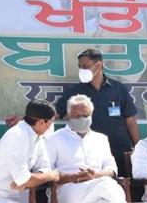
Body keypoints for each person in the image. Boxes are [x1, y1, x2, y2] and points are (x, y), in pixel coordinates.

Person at [56, 48, 139, 177]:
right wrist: (26, 119)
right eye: (80, 67)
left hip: (120, 149)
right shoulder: (75, 91)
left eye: (86, 66)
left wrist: (137, 147)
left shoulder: (118, 88)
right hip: (94, 153)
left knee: (124, 189)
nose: (82, 70)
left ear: (99, 65)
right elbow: (54, 114)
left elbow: (131, 121)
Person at [0, 100, 60, 203]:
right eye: (51, 122)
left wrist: (34, 178)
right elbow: (28, 179)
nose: (50, 127)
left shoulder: (37, 137)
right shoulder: (16, 136)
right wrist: (52, 175)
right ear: (41, 122)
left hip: (9, 198)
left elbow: (45, 167)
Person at [46, 94, 126, 203]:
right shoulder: (54, 139)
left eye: (85, 115)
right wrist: (73, 177)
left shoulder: (101, 139)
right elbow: (47, 173)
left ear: (91, 115)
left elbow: (112, 168)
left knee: (104, 197)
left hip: (98, 185)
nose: (82, 119)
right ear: (68, 116)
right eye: (77, 116)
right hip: (68, 189)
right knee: (107, 186)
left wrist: (96, 175)